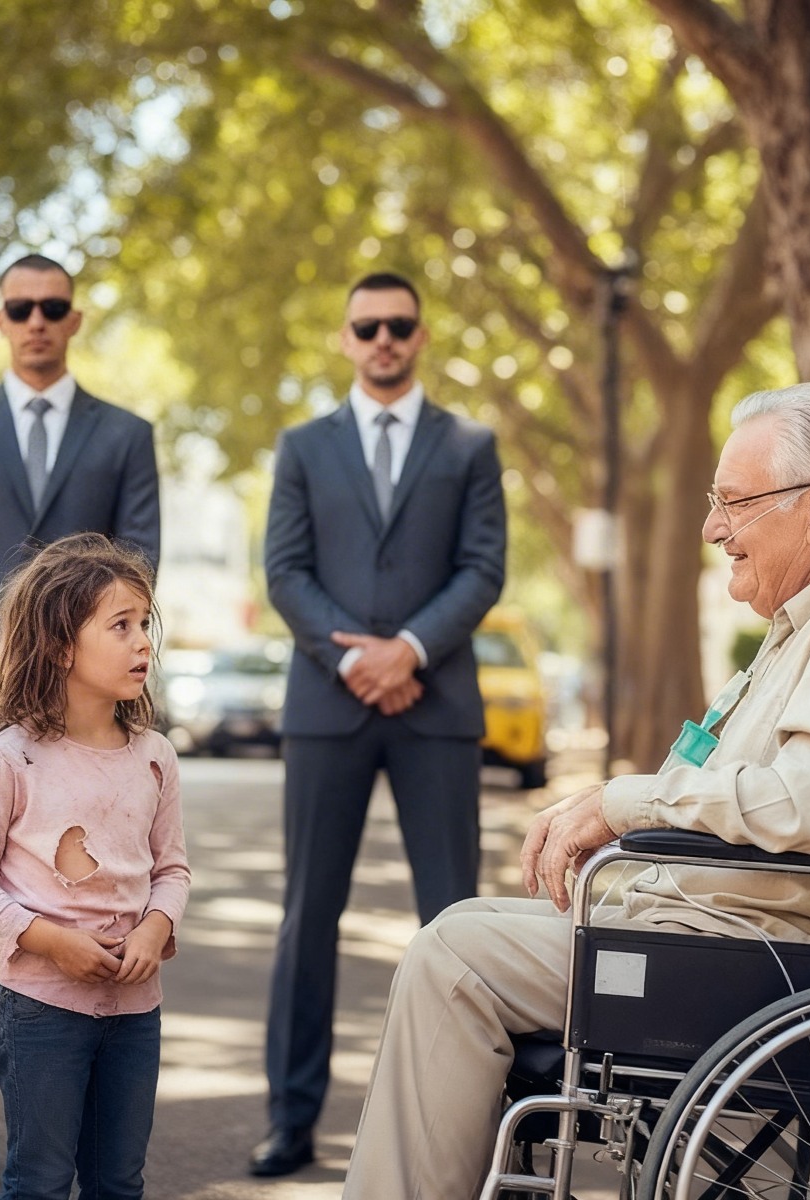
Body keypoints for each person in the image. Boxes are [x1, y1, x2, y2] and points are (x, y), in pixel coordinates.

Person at [341, 382, 810, 1200]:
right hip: (732, 931)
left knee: (453, 960)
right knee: (463, 923)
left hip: (768, 958)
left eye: (735, 502)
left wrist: (624, 805)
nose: (715, 527)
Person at [0, 253, 161, 1186]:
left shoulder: (124, 434)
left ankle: (76, 1112)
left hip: (95, 717)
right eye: (21, 307)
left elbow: (138, 558)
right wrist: (5, 643)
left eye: (53, 306)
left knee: (80, 898)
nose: (37, 320)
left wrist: (84, 643)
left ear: (73, 319)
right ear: (1, 319)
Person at [252, 271, 507, 1176]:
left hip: (436, 710)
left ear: (420, 335)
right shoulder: (302, 446)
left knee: (457, 924)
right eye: (369, 326)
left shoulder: (469, 443)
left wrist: (409, 650)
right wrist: (357, 659)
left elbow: (484, 570)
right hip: (328, 707)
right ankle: (290, 1118)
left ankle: (475, 1131)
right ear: (347, 337)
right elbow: (283, 572)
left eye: (399, 325)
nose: (384, 339)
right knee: (306, 915)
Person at [0, 532, 190, 1199]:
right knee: (41, 1181)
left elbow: (173, 871)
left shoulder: (155, 756)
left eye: (144, 624)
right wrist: (52, 943)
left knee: (119, 1181)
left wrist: (151, 931)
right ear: (59, 645)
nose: (143, 641)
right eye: (120, 626)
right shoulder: (9, 758)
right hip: (41, 1006)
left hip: (137, 1008)